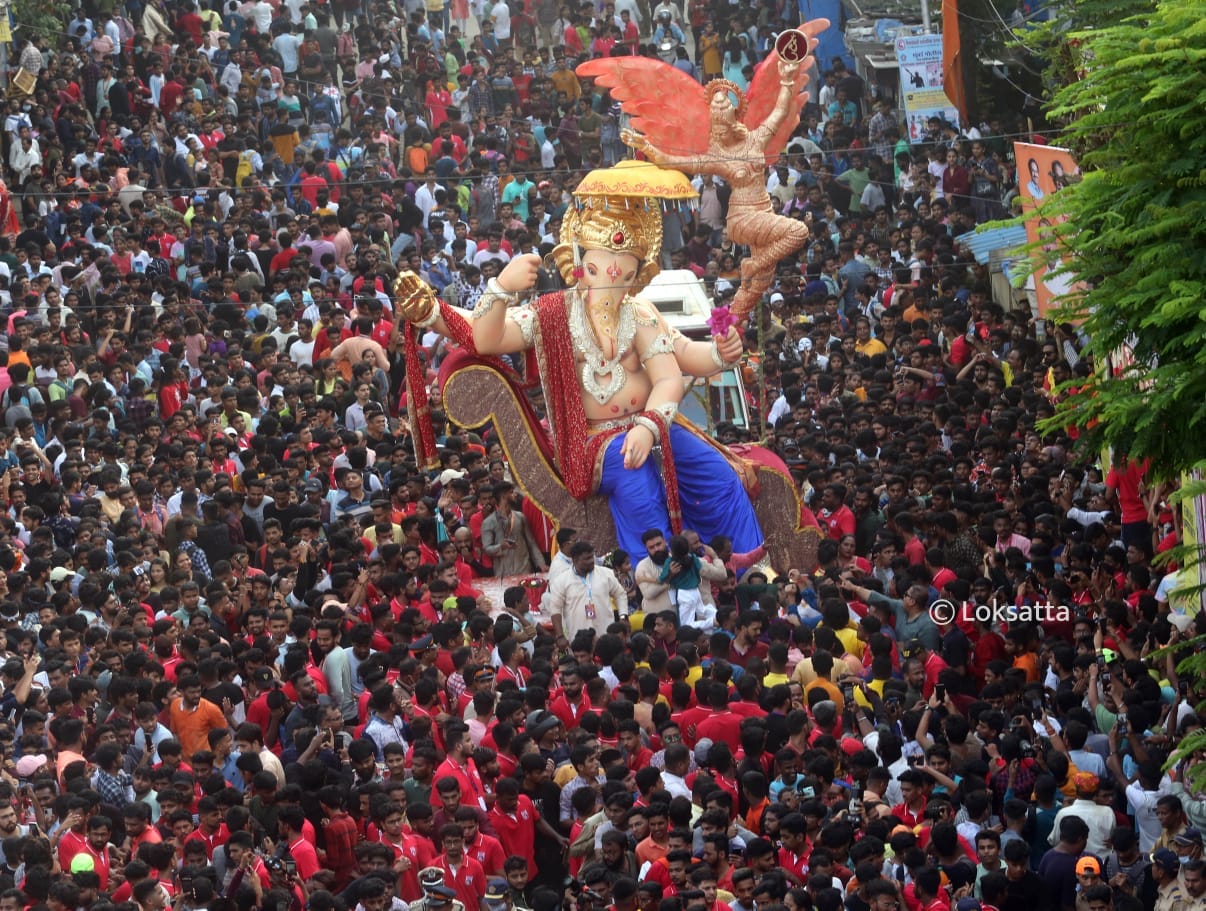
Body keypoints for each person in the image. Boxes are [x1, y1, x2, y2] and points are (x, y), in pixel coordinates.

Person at [392, 162, 763, 561]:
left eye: (624, 274)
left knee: (720, 476)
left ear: (638, 274)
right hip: (596, 441)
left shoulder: (639, 313)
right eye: (600, 270)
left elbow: (674, 372)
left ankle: (746, 566)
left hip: (654, 426)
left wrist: (715, 355)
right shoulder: (552, 315)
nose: (611, 283)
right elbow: (485, 337)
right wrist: (495, 289)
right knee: (639, 489)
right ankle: (657, 585)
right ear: (581, 268)